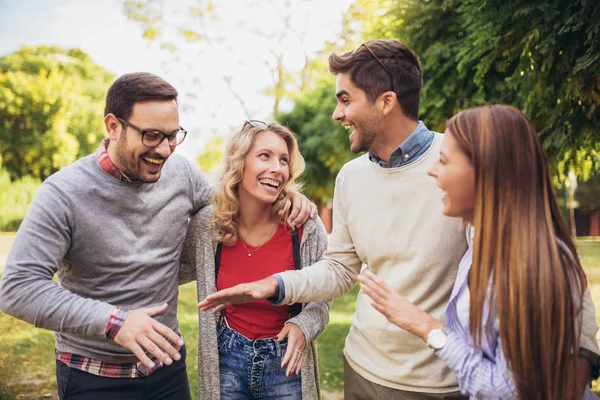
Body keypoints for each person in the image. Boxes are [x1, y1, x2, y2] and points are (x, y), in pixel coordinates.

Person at [197, 40, 600, 399]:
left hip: (445, 381)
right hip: (364, 369)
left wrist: (582, 353)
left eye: (345, 99)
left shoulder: (458, 166)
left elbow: (543, 256)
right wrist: (277, 284)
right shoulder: (351, 177)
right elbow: (340, 268)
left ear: (386, 102)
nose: (337, 113)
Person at [0, 72, 316, 400]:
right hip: (92, 375)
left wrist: (284, 195)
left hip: (167, 370)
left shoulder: (180, 174)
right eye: (152, 136)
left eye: (172, 136)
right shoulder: (63, 193)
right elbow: (18, 288)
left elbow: (233, 209)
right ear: (112, 126)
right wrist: (114, 321)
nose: (165, 150)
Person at [358, 104, 599, 399]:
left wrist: (427, 328)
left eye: (444, 161)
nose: (432, 170)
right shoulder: (482, 231)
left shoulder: (526, 268)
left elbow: (508, 390)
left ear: (487, 171)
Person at [179, 120, 329, 400]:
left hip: (287, 363)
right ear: (239, 163)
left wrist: (304, 324)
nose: (277, 168)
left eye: (284, 160)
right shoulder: (208, 227)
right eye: (265, 156)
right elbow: (166, 268)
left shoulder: (303, 226)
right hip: (227, 360)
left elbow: (324, 292)